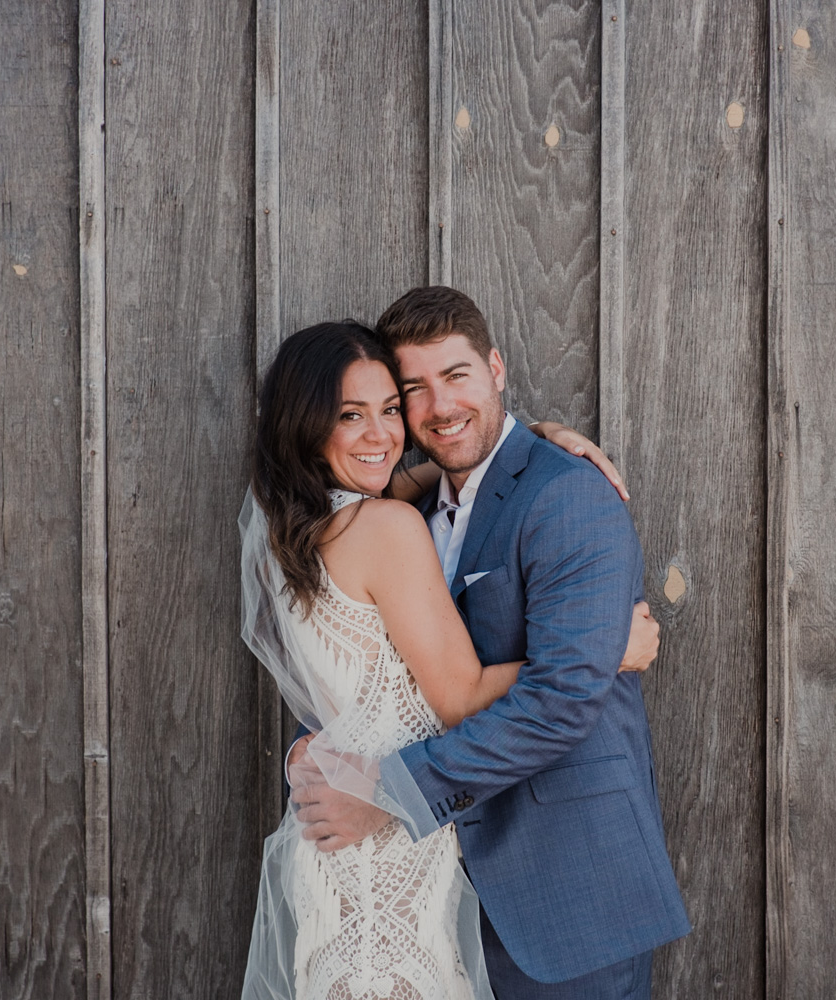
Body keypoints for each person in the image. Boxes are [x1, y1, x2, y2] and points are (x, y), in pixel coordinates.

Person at [289, 288, 691, 999]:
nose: (440, 406)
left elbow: (563, 702)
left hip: (564, 889)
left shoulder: (567, 496)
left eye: (458, 376)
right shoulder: (398, 508)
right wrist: (312, 747)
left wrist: (386, 797)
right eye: (414, 389)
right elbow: (371, 662)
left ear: (497, 369)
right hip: (433, 896)